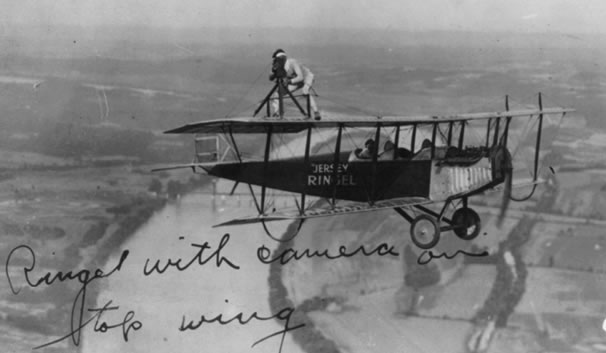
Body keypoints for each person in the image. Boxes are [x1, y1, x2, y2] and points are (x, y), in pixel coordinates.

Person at [269, 49, 321, 120]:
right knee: (278, 93)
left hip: (306, 77)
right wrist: (274, 74)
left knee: (305, 91)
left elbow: (300, 77)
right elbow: (272, 77)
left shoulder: (292, 62)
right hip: (295, 80)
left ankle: (316, 112)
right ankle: (276, 113)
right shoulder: (281, 67)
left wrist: (289, 81)